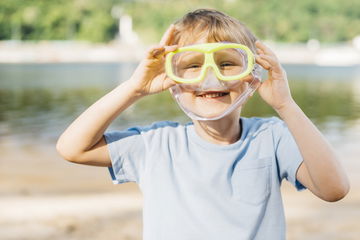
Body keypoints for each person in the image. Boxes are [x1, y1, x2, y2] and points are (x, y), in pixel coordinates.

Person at [56, 8, 350, 240]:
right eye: (192, 66)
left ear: (252, 75)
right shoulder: (156, 144)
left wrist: (286, 105)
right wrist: (135, 88)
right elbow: (72, 149)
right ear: (172, 82)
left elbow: (334, 189)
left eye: (227, 63)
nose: (211, 78)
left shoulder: (271, 136)